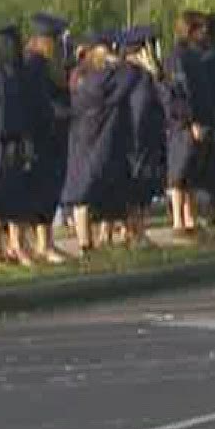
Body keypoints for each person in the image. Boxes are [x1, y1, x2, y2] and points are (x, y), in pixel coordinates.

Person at [62, 32, 135, 253]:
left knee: (98, 190)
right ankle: (86, 242)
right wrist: (117, 63)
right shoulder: (88, 77)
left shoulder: (88, 75)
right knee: (83, 192)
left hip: (94, 137)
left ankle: (101, 237)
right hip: (87, 137)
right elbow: (127, 78)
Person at [0, 24, 36, 265]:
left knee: (13, 197)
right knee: (2, 196)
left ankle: (12, 245)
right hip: (0, 142)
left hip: (13, 141)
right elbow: (0, 108)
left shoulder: (13, 71)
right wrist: (9, 131)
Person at [20, 14, 72, 264]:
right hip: (41, 138)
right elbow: (40, 103)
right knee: (41, 193)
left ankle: (47, 242)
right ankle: (43, 243)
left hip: (52, 136)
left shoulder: (46, 66)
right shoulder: (34, 65)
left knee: (49, 192)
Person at [163, 11, 211, 239]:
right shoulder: (178, 57)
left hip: (197, 122)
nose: (204, 34)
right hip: (181, 124)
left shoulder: (195, 55)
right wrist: (190, 121)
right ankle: (178, 220)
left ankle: (189, 217)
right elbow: (179, 94)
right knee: (179, 173)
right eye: (200, 29)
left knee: (191, 173)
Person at [120, 27, 167, 248]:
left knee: (145, 187)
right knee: (135, 188)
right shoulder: (130, 74)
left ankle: (139, 230)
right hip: (135, 139)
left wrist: (157, 74)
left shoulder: (149, 75)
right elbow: (137, 108)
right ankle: (133, 230)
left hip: (149, 137)